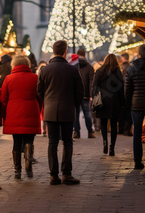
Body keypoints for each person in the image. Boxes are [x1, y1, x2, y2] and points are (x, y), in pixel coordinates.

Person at [37, 40, 84, 185]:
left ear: (53, 50)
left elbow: (39, 91)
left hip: (50, 111)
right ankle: (66, 174)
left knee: (52, 143)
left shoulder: (44, 70)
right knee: (67, 142)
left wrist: (47, 102)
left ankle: (53, 175)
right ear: (65, 51)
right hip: (67, 110)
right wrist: (74, 105)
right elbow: (79, 92)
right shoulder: (72, 70)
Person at [1, 55, 42, 179]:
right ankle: (28, 160)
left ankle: (17, 170)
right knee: (30, 140)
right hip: (31, 111)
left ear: (14, 65)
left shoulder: (8, 78)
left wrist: (4, 115)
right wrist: (37, 110)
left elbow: (3, 99)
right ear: (28, 65)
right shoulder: (35, 78)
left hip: (14, 112)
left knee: (16, 142)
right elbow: (40, 97)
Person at [92, 54, 125, 156]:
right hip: (115, 102)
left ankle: (105, 141)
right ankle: (112, 148)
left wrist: (95, 98)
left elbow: (94, 86)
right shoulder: (118, 72)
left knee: (103, 123)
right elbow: (121, 89)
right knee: (114, 125)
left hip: (102, 101)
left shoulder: (99, 71)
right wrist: (123, 102)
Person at [73, 48, 96, 139]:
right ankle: (90, 131)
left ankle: (76, 132)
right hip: (86, 94)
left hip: (75, 94)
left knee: (76, 114)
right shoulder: (89, 67)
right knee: (87, 113)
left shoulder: (74, 66)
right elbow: (91, 82)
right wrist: (91, 94)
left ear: (77, 55)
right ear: (85, 55)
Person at [119, 53, 132, 136]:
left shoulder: (121, 67)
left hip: (121, 92)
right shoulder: (131, 67)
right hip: (129, 92)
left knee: (122, 112)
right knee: (129, 112)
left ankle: (121, 129)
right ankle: (127, 130)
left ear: (123, 58)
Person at [37, 61, 48, 137]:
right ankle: (45, 130)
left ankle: (44, 130)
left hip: (44, 98)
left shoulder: (38, 77)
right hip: (47, 98)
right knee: (45, 115)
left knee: (44, 115)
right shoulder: (48, 77)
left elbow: (39, 89)